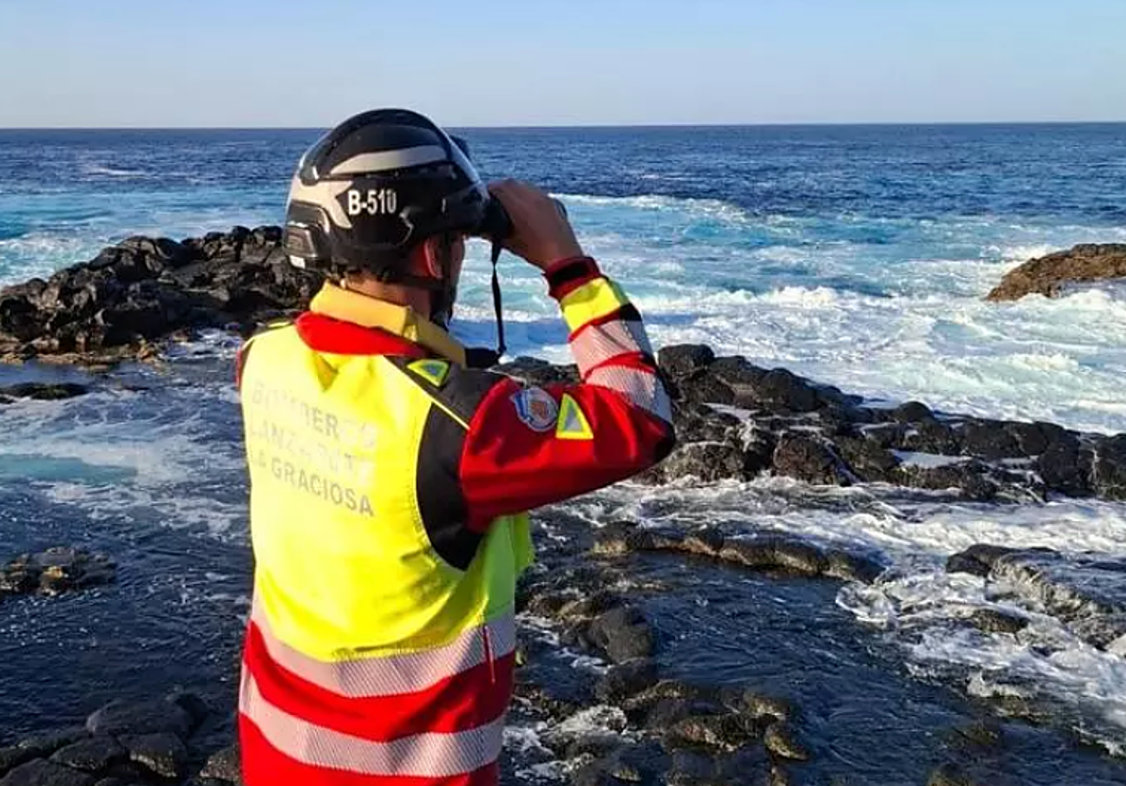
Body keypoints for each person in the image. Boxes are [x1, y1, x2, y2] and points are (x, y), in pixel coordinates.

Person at [235, 109, 675, 786]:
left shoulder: (263, 361)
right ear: (432, 256)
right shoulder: (458, 424)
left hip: (276, 752)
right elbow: (640, 417)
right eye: (459, 243)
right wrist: (569, 267)